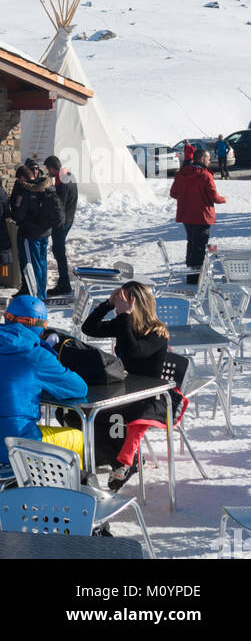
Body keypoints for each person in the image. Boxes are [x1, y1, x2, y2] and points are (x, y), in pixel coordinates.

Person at [0, 294, 87, 463]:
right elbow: (79, 388)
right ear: (40, 326)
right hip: (17, 447)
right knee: (76, 437)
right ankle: (68, 488)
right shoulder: (37, 355)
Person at [80, 281, 176, 490]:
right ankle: (108, 456)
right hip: (124, 389)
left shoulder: (157, 332)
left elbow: (135, 352)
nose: (120, 306)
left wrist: (123, 317)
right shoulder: (125, 325)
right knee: (90, 415)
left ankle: (125, 461)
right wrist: (107, 304)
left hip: (149, 396)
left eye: (125, 301)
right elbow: (89, 328)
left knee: (118, 417)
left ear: (137, 304)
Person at [170, 148, 226, 284]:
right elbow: (214, 197)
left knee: (192, 244)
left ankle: (191, 274)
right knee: (200, 246)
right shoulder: (205, 175)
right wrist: (223, 199)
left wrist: (186, 196)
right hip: (202, 216)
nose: (209, 161)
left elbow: (173, 193)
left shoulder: (181, 174)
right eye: (207, 159)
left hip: (186, 215)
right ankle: (196, 278)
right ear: (201, 159)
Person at [10, 166, 64, 303]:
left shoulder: (26, 191)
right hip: (45, 232)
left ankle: (37, 296)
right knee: (41, 263)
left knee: (31, 265)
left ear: (22, 178)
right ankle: (41, 292)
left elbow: (18, 215)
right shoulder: (46, 186)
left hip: (30, 234)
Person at [44, 154, 78, 299]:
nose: (48, 173)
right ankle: (64, 282)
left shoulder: (61, 183)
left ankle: (64, 284)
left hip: (62, 222)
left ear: (52, 168)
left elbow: (59, 205)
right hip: (68, 219)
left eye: (48, 170)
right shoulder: (69, 175)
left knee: (59, 251)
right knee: (58, 250)